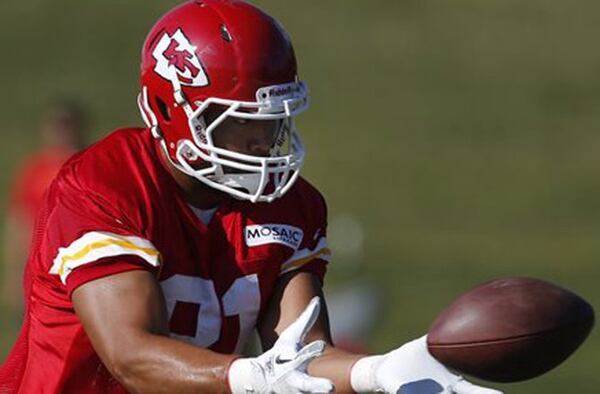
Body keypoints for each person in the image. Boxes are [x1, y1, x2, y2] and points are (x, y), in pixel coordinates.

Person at [0, 1, 502, 393]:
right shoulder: (104, 185)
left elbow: (302, 357)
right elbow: (133, 358)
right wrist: (252, 379)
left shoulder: (290, 206)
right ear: (170, 110)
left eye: (273, 120)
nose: (263, 142)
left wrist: (382, 370)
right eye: (241, 122)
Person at [2, 99, 86, 314]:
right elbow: (20, 219)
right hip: (40, 265)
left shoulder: (88, 164)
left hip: (79, 260)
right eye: (56, 126)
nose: (61, 132)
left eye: (66, 125)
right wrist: (14, 273)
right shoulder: (35, 169)